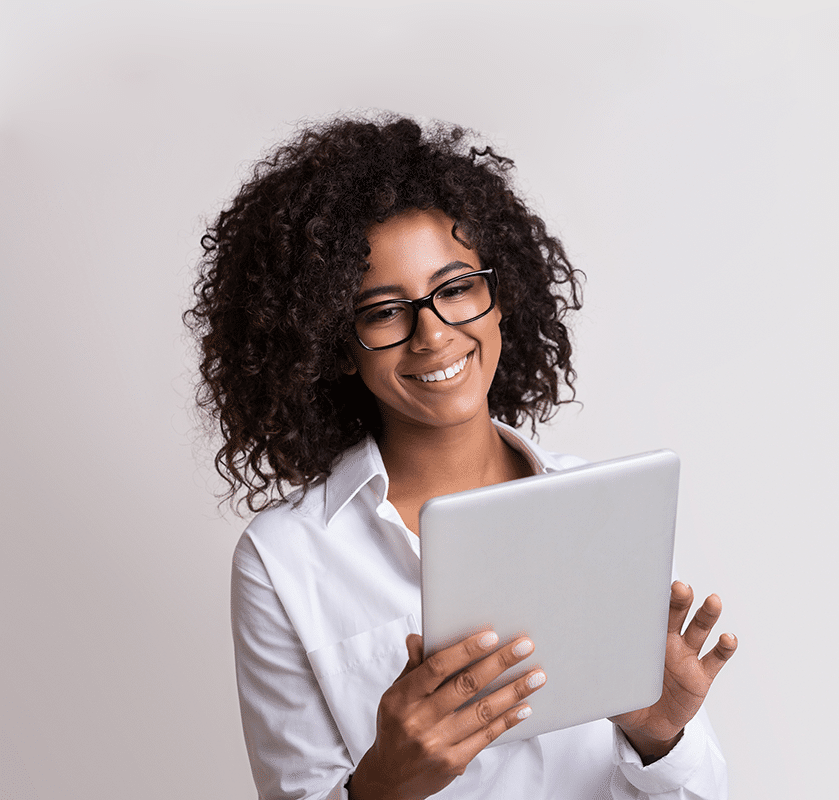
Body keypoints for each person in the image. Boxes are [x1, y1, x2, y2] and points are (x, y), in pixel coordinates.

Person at [187, 115, 735, 800]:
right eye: (384, 311)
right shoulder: (284, 559)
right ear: (336, 345)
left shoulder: (607, 510)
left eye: (454, 289)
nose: (433, 335)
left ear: (499, 300)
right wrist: (382, 785)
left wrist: (661, 740)